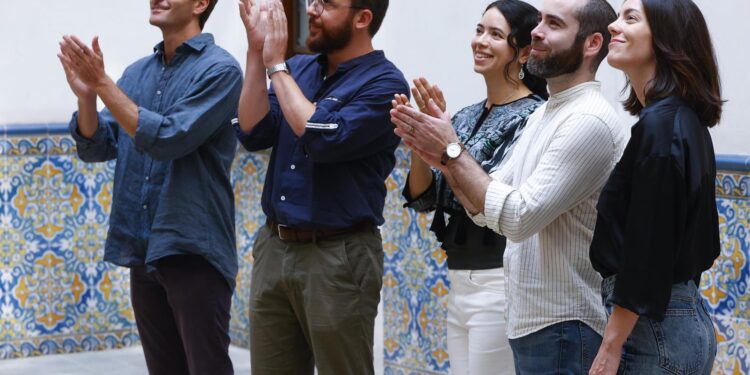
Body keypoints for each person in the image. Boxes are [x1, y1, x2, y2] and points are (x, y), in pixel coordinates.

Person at [391, 0, 628, 373]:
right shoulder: (550, 112)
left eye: (553, 23)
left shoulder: (585, 119)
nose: (537, 31)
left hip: (558, 318)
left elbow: (516, 216)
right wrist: (433, 151)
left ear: (592, 43)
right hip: (526, 314)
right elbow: (480, 201)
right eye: (479, 30)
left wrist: (450, 151)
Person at [58, 0, 242, 374]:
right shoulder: (136, 73)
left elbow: (169, 138)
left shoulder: (221, 70)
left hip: (193, 251)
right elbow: (97, 146)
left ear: (200, 4)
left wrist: (103, 83)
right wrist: (87, 96)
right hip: (143, 250)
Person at [234, 0, 408, 373]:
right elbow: (251, 131)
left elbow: (323, 138)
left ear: (362, 18)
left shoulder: (385, 84)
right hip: (274, 246)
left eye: (327, 4)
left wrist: (276, 68)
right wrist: (255, 52)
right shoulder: (298, 68)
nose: (311, 9)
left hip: (337, 254)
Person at [395, 1, 546, 373]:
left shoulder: (534, 116)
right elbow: (424, 200)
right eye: (479, 30)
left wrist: (445, 145)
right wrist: (420, 140)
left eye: (495, 34)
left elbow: (491, 196)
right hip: (460, 279)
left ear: (524, 51)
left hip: (501, 281)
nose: (480, 41)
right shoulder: (462, 117)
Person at [588, 0, 722, 373]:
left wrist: (611, 346)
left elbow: (649, 251)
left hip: (654, 329)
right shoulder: (681, 120)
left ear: (665, 38)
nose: (614, 26)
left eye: (630, 18)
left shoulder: (662, 126)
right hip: (679, 317)